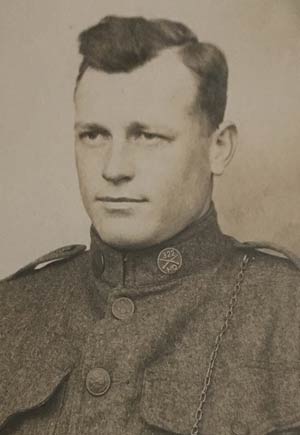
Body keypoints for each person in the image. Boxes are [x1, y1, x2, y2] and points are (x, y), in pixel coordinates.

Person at [0, 15, 299, 435]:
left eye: (147, 136)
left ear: (219, 148)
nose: (113, 168)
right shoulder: (10, 312)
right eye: (93, 135)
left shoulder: (287, 313)